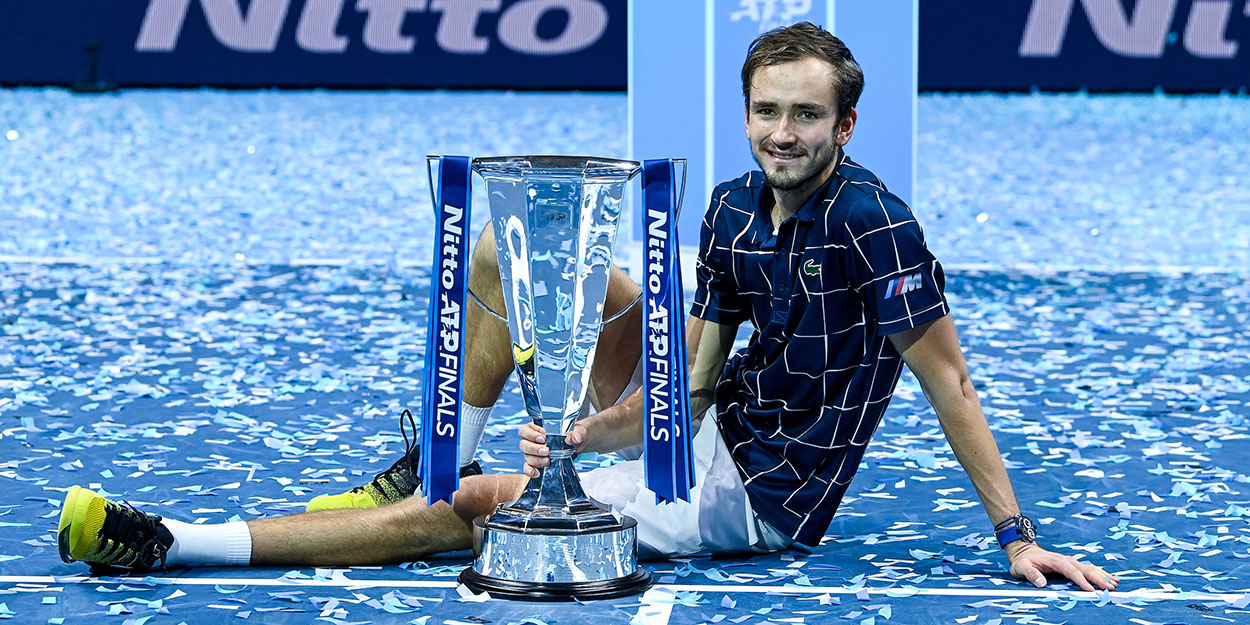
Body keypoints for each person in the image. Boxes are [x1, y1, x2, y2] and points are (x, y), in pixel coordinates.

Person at [56, 22, 1118, 592]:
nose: (780, 133)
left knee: (481, 508)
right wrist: (590, 428)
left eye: (805, 116)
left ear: (844, 126)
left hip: (752, 496)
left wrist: (1014, 535)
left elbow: (950, 384)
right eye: (765, 111)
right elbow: (694, 379)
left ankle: (175, 542)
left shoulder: (875, 228)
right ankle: (429, 457)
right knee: (505, 260)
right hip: (708, 425)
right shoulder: (736, 205)